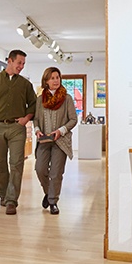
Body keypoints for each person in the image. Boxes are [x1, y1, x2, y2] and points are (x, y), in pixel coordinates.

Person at [0, 49, 37, 215]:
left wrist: (26, 118)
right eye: (19, 63)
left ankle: (12, 200)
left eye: (23, 64)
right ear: (10, 61)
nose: (21, 66)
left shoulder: (25, 85)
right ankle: (3, 195)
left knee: (17, 163)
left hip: (17, 128)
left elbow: (33, 105)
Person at [32, 66, 77, 214]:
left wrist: (60, 131)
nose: (56, 80)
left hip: (60, 141)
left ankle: (53, 201)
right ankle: (48, 192)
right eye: (52, 78)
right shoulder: (40, 100)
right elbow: (36, 119)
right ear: (46, 81)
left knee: (56, 173)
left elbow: (73, 119)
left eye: (57, 77)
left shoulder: (67, 98)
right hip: (44, 141)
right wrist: (37, 130)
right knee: (40, 169)